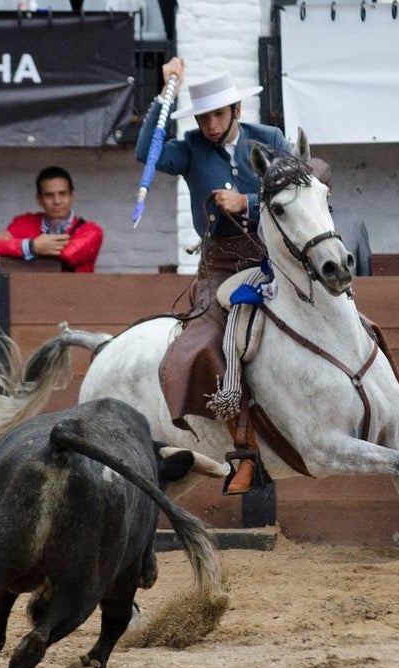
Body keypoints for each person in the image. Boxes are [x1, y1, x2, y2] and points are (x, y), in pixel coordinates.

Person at [136, 57, 292, 494]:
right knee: (205, 347)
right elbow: (144, 152)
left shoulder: (271, 140)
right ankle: (244, 453)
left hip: (274, 259)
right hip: (220, 266)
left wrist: (248, 203)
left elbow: (298, 193)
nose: (208, 124)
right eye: (202, 116)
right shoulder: (187, 148)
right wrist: (164, 91)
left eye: (217, 114)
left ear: (237, 111)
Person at [0, 166, 103, 272]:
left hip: (74, 294)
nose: (57, 201)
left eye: (62, 194)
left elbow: (67, 255)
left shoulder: (91, 231)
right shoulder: (25, 222)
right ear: (39, 199)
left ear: (72, 196)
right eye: (49, 195)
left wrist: (21, 247)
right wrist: (33, 246)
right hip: (32, 292)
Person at [307, 157, 372, 276]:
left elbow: (365, 278)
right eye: (307, 189)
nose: (312, 194)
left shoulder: (353, 223)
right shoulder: (292, 225)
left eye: (317, 189)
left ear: (329, 189)